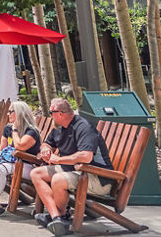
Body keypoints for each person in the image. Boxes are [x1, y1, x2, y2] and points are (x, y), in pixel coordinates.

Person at [31, 97, 114, 236]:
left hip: (96, 177)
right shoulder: (59, 127)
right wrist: (45, 149)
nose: (50, 115)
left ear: (60, 113)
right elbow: (47, 143)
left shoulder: (84, 127)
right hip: (74, 171)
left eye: (51, 112)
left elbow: (86, 156)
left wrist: (58, 160)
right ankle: (56, 217)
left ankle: (60, 217)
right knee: (36, 173)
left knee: (58, 179)